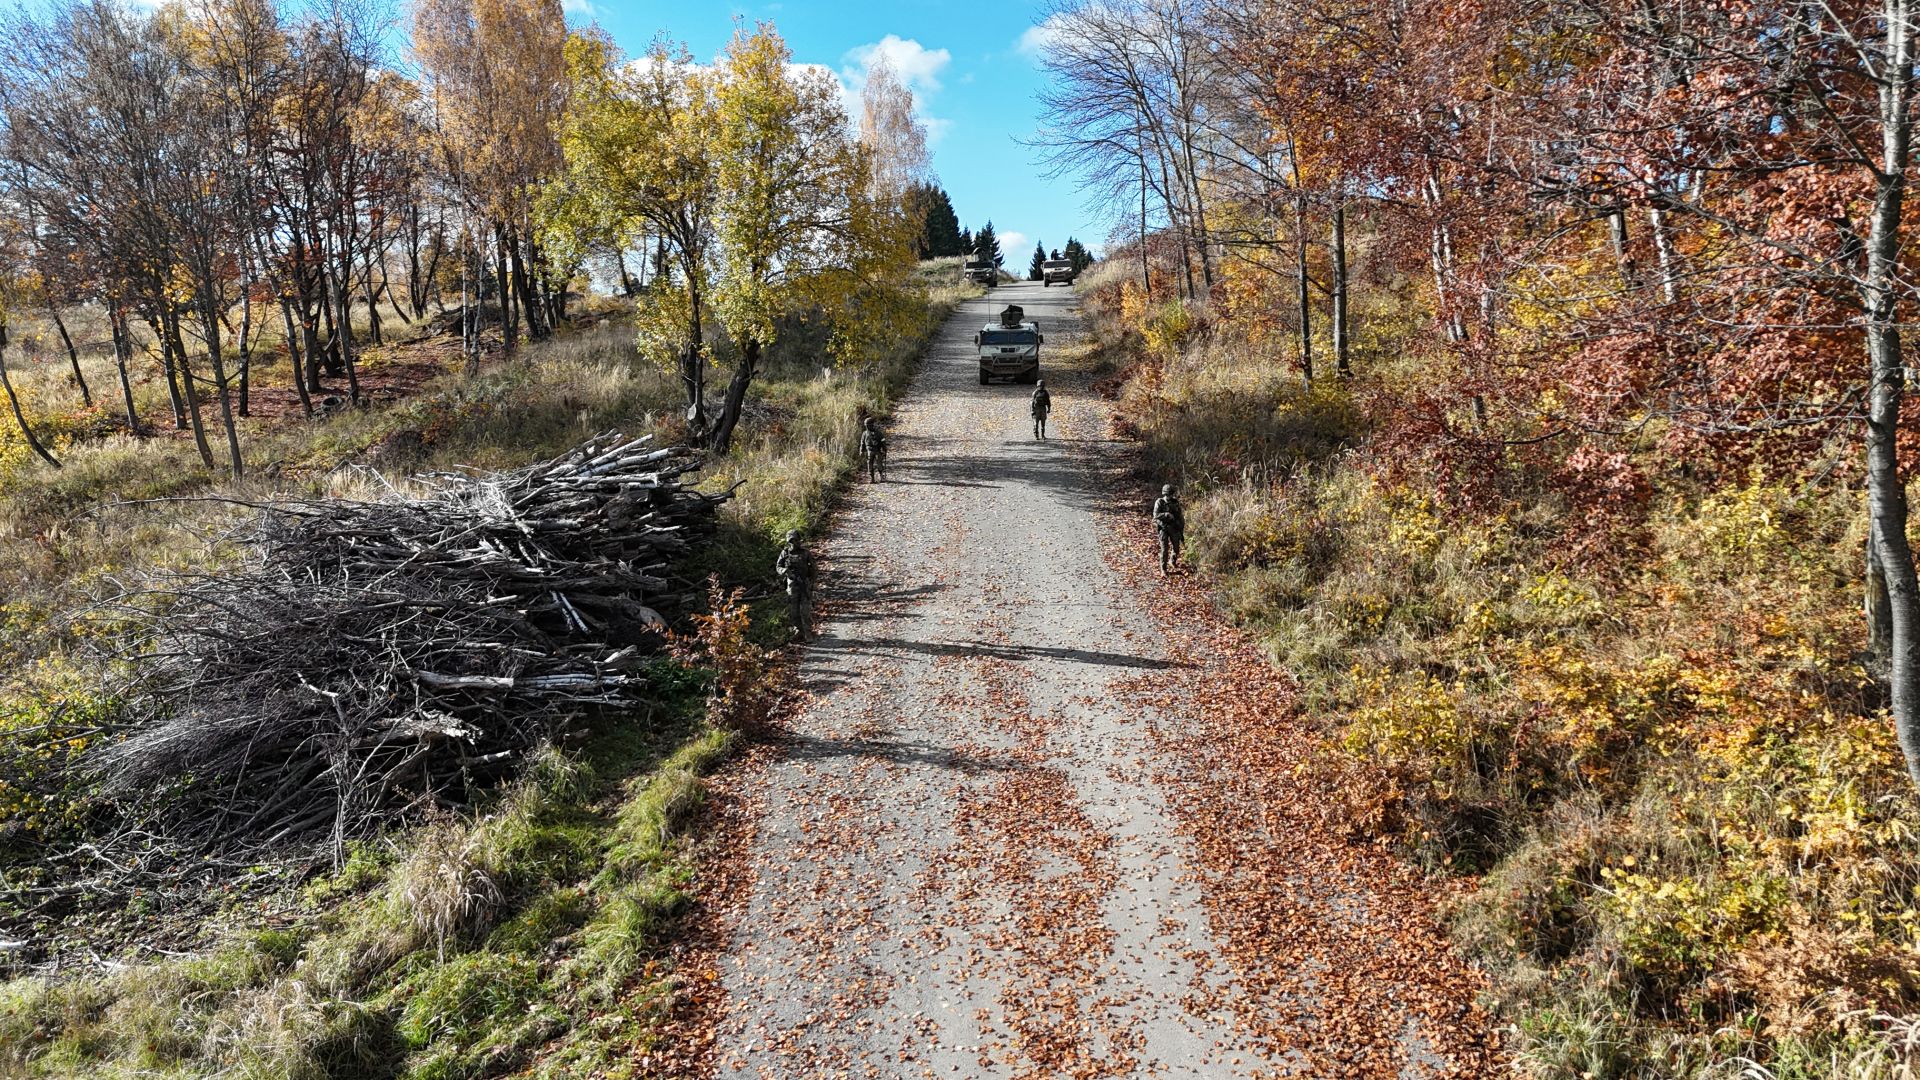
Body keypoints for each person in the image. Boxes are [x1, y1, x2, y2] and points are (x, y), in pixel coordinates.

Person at [775, 530, 815, 641]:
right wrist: (785, 571)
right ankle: (798, 631)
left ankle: (808, 633)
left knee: (805, 611)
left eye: (796, 540)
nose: (794, 543)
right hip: (792, 585)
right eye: (791, 541)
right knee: (794, 611)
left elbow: (813, 568)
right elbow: (778, 567)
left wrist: (811, 582)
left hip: (804, 583)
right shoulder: (785, 553)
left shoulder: (805, 553)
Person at [1152, 484, 1185, 575]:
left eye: (1170, 495)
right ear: (1164, 494)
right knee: (1164, 549)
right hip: (1163, 528)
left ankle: (1172, 561)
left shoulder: (1175, 502)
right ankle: (1164, 569)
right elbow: (1155, 515)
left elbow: (1179, 516)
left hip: (1174, 527)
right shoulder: (1159, 502)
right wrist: (1166, 515)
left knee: (1176, 548)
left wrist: (1181, 527)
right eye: (1167, 495)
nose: (1169, 497)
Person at [859, 416, 887, 482]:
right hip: (870, 451)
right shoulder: (865, 433)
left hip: (876, 451)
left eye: (867, 425)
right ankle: (872, 478)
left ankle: (880, 477)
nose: (867, 427)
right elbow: (862, 443)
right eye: (866, 425)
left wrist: (884, 448)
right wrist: (861, 451)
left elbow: (883, 441)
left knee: (878, 464)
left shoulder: (877, 433)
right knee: (870, 464)